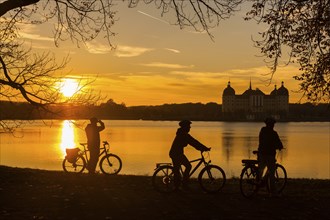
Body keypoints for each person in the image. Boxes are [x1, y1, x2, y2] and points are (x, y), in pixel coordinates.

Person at [169, 120, 210, 189]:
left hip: (177, 153)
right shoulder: (183, 134)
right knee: (187, 166)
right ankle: (183, 185)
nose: (190, 127)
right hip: (176, 154)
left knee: (178, 169)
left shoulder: (182, 133)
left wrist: (203, 148)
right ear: (185, 127)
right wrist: (203, 148)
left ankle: (181, 185)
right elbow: (193, 142)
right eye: (189, 126)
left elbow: (194, 142)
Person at [258, 117, 283, 196]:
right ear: (272, 125)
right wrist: (279, 146)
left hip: (261, 153)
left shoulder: (262, 131)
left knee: (260, 169)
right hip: (270, 155)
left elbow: (261, 141)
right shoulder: (274, 133)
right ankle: (273, 192)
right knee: (272, 173)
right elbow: (279, 143)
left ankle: (257, 185)